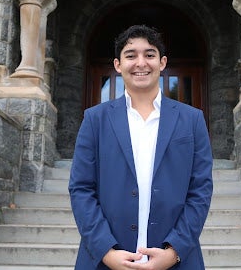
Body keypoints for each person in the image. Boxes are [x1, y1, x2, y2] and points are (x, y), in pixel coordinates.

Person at [69, 24, 213, 269]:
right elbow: (81, 189)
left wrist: (174, 251)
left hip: (177, 261)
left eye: (149, 54)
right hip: (106, 261)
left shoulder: (192, 119)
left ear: (162, 62)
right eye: (130, 55)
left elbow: (200, 190)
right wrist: (105, 250)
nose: (141, 63)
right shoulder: (95, 119)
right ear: (117, 64)